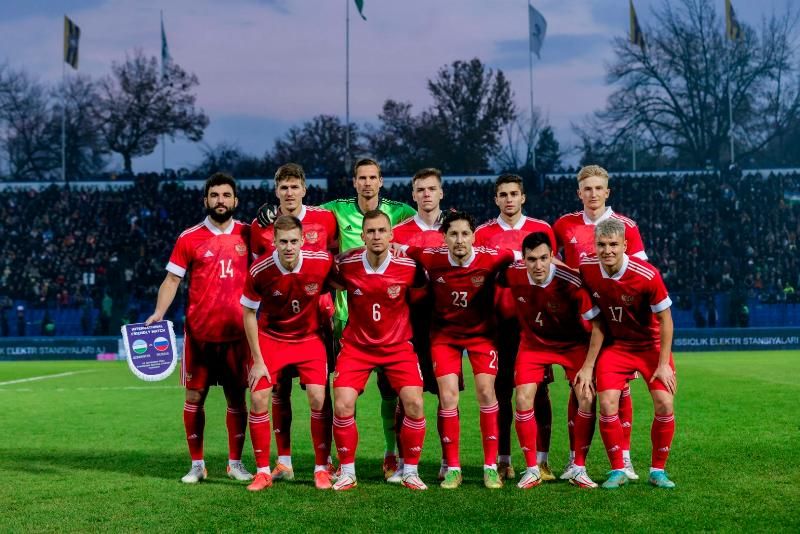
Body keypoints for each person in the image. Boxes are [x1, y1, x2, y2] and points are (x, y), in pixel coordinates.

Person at [145, 173, 253, 484]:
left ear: (235, 200)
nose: (221, 200)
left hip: (237, 335)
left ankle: (235, 463)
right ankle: (197, 464)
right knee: (194, 397)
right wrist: (159, 313)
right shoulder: (189, 237)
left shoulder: (248, 234)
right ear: (205, 200)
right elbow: (172, 280)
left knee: (237, 398)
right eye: (215, 195)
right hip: (200, 335)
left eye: (226, 195)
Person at [400, 210, 516, 489]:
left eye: (465, 234)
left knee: (486, 392)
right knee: (448, 396)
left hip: (482, 337)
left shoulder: (492, 257)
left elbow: (524, 255)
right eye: (453, 234)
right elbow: (401, 248)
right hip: (445, 337)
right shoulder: (432, 257)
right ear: (444, 237)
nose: (460, 240)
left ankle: (490, 467)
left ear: (474, 237)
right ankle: (453, 468)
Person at [321, 158, 416, 479]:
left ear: (381, 181)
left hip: (389, 321)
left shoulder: (399, 211)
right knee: (344, 393)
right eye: (361, 178)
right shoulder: (336, 209)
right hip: (346, 319)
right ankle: (342, 459)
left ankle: (391, 453)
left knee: (390, 392)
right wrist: (273, 213)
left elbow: (426, 225)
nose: (367, 183)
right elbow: (303, 217)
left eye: (372, 177)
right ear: (354, 182)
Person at [553, 164, 647, 480]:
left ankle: (625, 459)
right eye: (587, 189)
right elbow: (548, 259)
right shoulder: (564, 225)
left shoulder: (626, 226)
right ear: (579, 193)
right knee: (579, 386)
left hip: (617, 321)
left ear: (607, 191)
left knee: (620, 390)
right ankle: (574, 460)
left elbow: (639, 278)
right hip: (578, 320)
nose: (593, 194)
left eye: (598, 188)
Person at [329, 210, 428, 491]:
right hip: (357, 346)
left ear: (391, 234)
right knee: (343, 404)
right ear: (362, 236)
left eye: (382, 230)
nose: (376, 236)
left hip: (397, 346)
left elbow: (425, 285)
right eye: (370, 231)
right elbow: (326, 278)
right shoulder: (347, 265)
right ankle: (348, 472)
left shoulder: (407, 266)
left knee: (415, 404)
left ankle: (410, 472)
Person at [251, 163, 337, 482]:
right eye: (284, 187)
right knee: (278, 391)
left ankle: (325, 461)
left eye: (294, 186)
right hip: (277, 321)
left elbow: (335, 262)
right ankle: (283, 461)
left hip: (316, 318)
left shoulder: (325, 219)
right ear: (277, 191)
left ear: (304, 189)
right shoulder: (260, 224)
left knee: (321, 392)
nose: (289, 193)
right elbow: (257, 272)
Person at [500, 232, 604, 489]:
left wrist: (589, 367)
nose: (538, 265)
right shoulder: (513, 274)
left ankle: (578, 468)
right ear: (523, 259)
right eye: (532, 259)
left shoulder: (571, 283)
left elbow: (598, 326)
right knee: (522, 398)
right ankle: (532, 469)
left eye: (544, 258)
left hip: (572, 345)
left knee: (587, 396)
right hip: (533, 345)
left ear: (552, 257)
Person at [579, 219, 677, 489]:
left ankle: (658, 471)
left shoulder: (647, 275)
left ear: (625, 245)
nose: (607, 250)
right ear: (594, 245)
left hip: (650, 346)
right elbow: (572, 276)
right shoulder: (588, 268)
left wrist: (664, 364)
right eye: (601, 245)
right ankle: (617, 470)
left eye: (613, 244)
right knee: (607, 403)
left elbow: (666, 319)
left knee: (665, 404)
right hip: (618, 346)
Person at [474, 173, 558, 481]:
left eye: (514, 194)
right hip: (498, 325)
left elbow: (552, 273)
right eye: (503, 194)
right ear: (496, 199)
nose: (509, 199)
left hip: (534, 326)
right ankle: (504, 460)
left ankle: (542, 461)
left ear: (523, 197)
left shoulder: (542, 229)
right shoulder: (482, 234)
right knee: (502, 392)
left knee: (540, 392)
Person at [386, 167, 448, 484]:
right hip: (408, 324)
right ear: (413, 195)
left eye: (431, 188)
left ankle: (448, 462)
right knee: (406, 395)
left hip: (445, 324)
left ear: (441, 193)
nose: (426, 194)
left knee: (446, 395)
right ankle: (402, 463)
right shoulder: (398, 232)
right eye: (420, 189)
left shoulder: (454, 229)